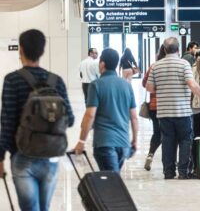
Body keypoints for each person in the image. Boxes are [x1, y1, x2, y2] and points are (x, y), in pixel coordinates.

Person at [0, 29, 75, 211]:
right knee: (44, 208)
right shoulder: (56, 81)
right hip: (51, 156)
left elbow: (7, 122)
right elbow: (70, 119)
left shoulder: (12, 80)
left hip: (22, 155)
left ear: (21, 49)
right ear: (42, 51)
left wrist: (1, 156)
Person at [146, 37, 200, 179]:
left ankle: (168, 172)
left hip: (164, 112)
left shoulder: (156, 66)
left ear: (164, 49)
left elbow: (150, 88)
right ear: (178, 49)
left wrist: (163, 85)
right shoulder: (183, 64)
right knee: (185, 140)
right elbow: (192, 84)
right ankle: (183, 172)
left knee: (167, 141)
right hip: (182, 111)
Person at [74, 48, 138, 174]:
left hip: (105, 143)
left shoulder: (96, 85)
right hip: (123, 144)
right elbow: (134, 117)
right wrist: (134, 140)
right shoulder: (126, 85)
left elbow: (90, 115)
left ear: (102, 64)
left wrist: (81, 141)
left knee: (112, 184)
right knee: (113, 181)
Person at [142, 46, 167, 171]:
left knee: (157, 133)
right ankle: (168, 163)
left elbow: (144, 83)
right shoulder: (176, 66)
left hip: (154, 106)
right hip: (169, 106)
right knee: (169, 134)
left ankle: (150, 155)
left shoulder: (154, 66)